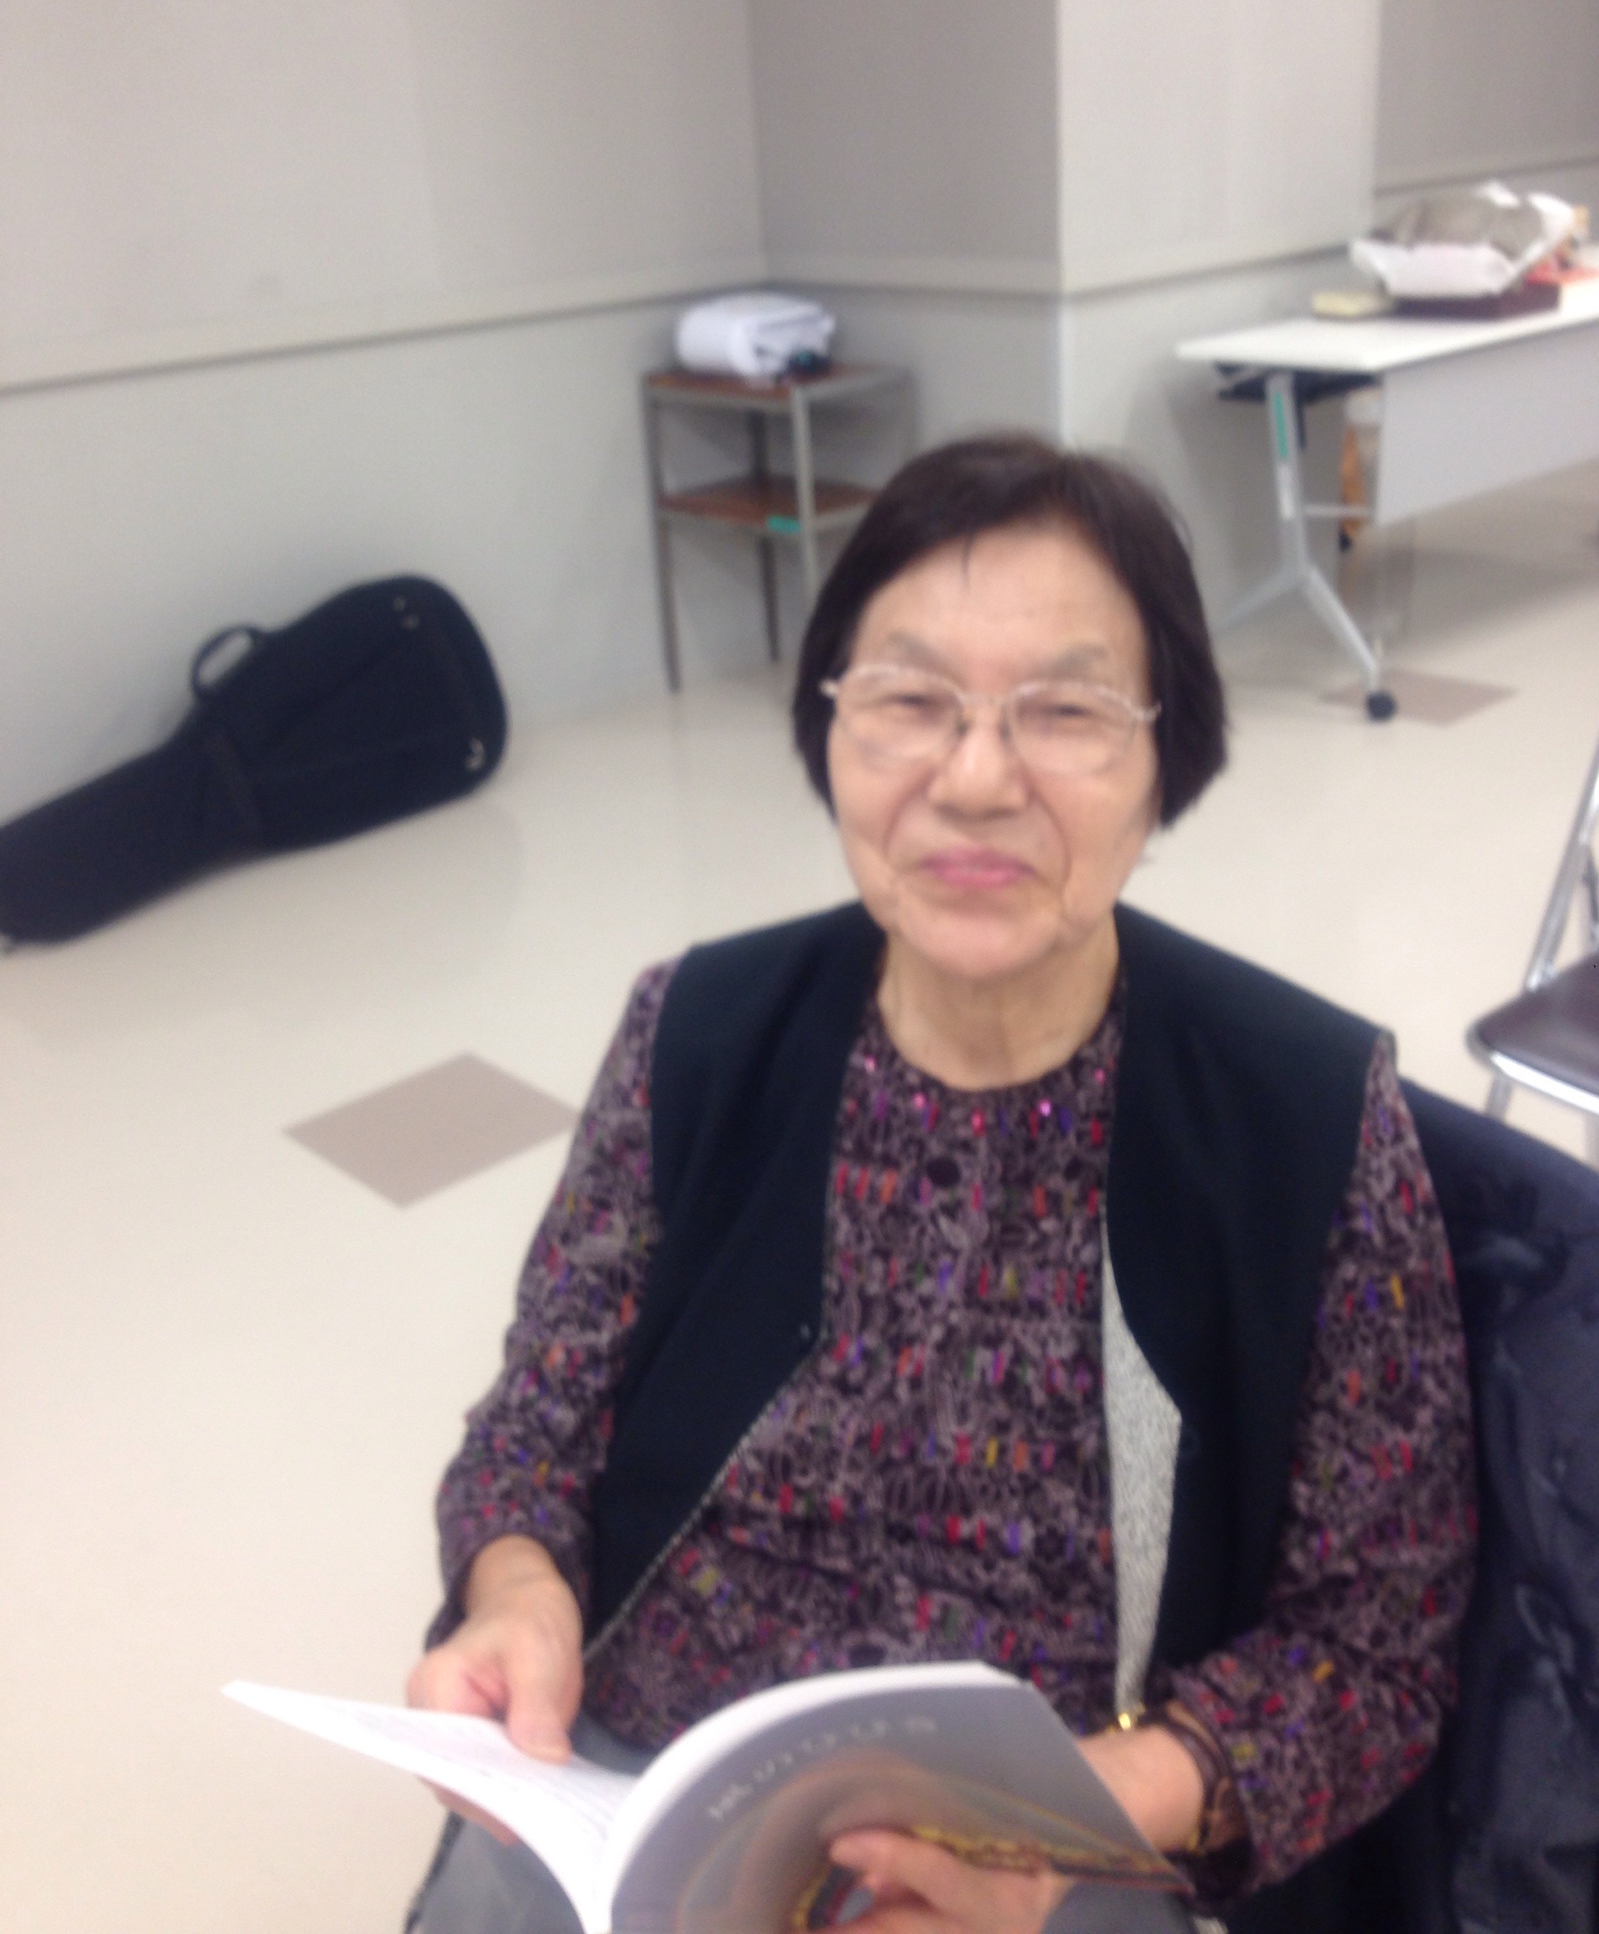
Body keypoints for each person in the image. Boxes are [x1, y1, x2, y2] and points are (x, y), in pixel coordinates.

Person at [406, 435, 1475, 1934]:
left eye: (1067, 711)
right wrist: (519, 1597)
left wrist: (1065, 1827)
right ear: (830, 732)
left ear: (1165, 761)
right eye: (910, 701)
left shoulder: (1305, 1113)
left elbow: (1375, 1648)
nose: (975, 779)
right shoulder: (697, 1029)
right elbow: (534, 1428)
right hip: (650, 1778)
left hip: (1067, 1820)